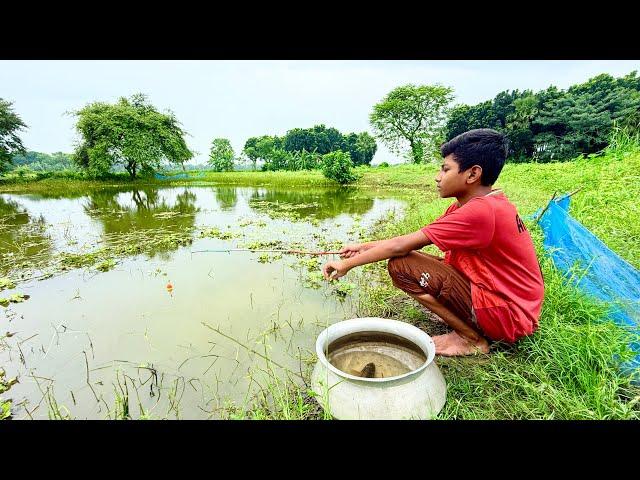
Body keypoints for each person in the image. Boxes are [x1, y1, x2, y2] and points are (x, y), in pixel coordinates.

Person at [321, 129, 544, 356]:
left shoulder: (481, 212)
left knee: (402, 265)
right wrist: (363, 247)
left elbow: (402, 247)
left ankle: (471, 339)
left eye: (445, 169)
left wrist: (346, 265)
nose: (438, 177)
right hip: (509, 305)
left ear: (472, 174)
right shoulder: (481, 204)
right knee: (416, 259)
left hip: (510, 317)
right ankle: (466, 318)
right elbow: (411, 240)